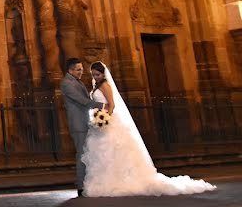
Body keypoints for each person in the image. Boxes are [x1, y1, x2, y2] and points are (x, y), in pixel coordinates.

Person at [81, 61, 216, 197]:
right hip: (101, 121)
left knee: (114, 150)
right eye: (93, 75)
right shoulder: (96, 85)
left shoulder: (105, 85)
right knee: (104, 153)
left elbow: (112, 104)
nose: (96, 77)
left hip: (108, 121)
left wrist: (105, 119)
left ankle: (121, 180)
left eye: (98, 74)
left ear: (103, 74)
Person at [61, 57, 107, 197]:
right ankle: (81, 186)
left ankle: (90, 183)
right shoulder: (67, 83)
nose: (82, 72)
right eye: (78, 70)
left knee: (88, 153)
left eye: (81, 69)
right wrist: (103, 106)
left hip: (86, 122)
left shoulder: (76, 81)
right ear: (70, 70)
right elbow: (81, 101)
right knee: (82, 154)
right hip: (79, 124)